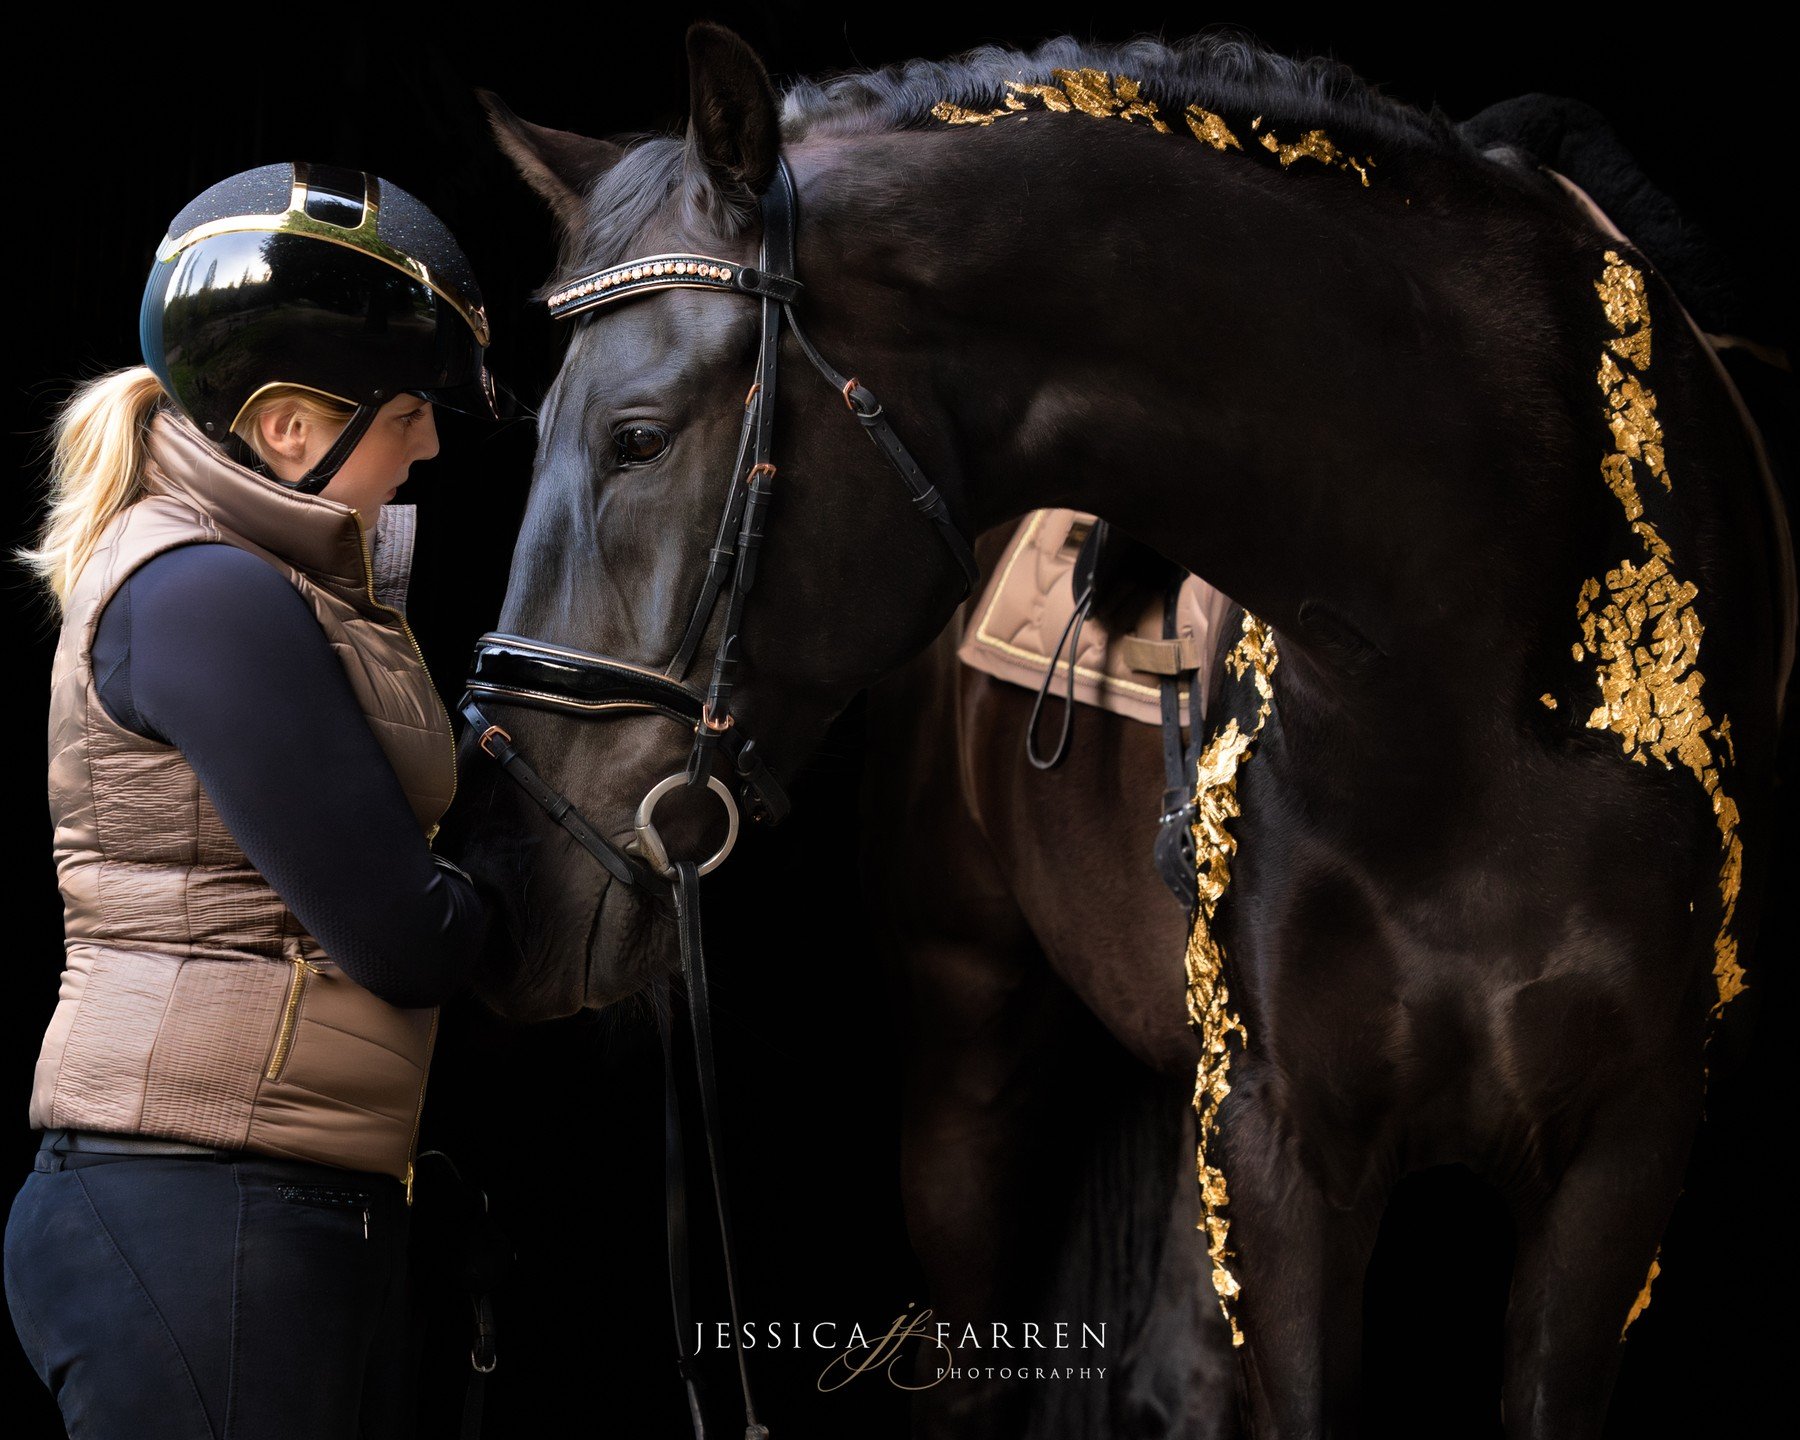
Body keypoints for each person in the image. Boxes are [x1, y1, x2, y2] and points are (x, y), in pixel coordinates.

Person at [4, 161, 495, 1439]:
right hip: (204, 1214)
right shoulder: (204, 594)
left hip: (281, 1200)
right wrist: (528, 888)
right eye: (406, 414)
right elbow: (404, 935)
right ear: (289, 427)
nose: (429, 444)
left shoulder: (279, 589)